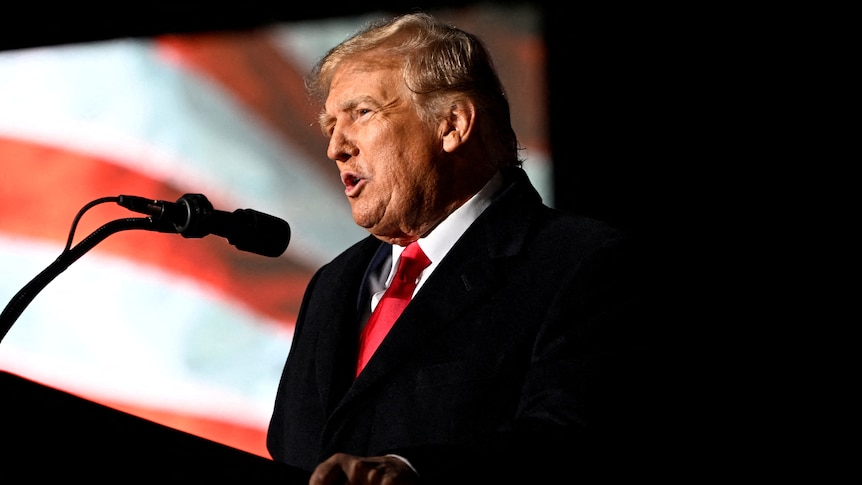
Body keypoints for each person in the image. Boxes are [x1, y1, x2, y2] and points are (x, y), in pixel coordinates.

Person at [267, 12, 669, 484]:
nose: (336, 147)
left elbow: (572, 439)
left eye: (361, 112)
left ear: (452, 125)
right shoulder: (333, 284)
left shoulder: (581, 263)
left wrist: (410, 471)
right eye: (330, 124)